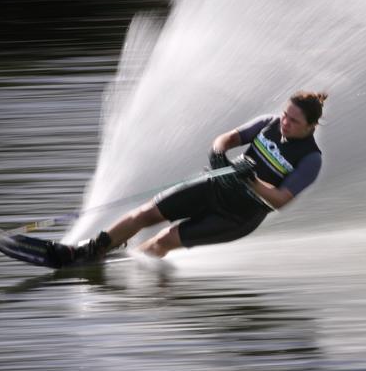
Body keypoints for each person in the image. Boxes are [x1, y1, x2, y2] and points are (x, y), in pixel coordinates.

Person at [49, 90, 327, 266]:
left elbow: (280, 200)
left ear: (311, 126)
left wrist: (252, 181)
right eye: (284, 115)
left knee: (165, 239)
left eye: (294, 121)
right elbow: (228, 138)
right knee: (147, 213)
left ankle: (127, 268)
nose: (284, 123)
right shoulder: (269, 123)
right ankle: (91, 250)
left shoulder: (310, 158)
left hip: (237, 216)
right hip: (214, 185)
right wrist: (219, 152)